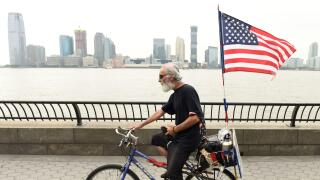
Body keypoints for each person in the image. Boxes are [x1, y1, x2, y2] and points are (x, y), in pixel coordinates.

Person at [134, 63, 204, 180]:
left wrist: (175, 129)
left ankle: (173, 170)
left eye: (161, 76)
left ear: (171, 76)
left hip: (189, 138)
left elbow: (195, 118)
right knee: (156, 139)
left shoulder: (188, 91)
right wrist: (140, 125)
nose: (159, 80)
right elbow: (160, 112)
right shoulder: (175, 94)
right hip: (180, 135)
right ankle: (173, 165)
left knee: (173, 174)